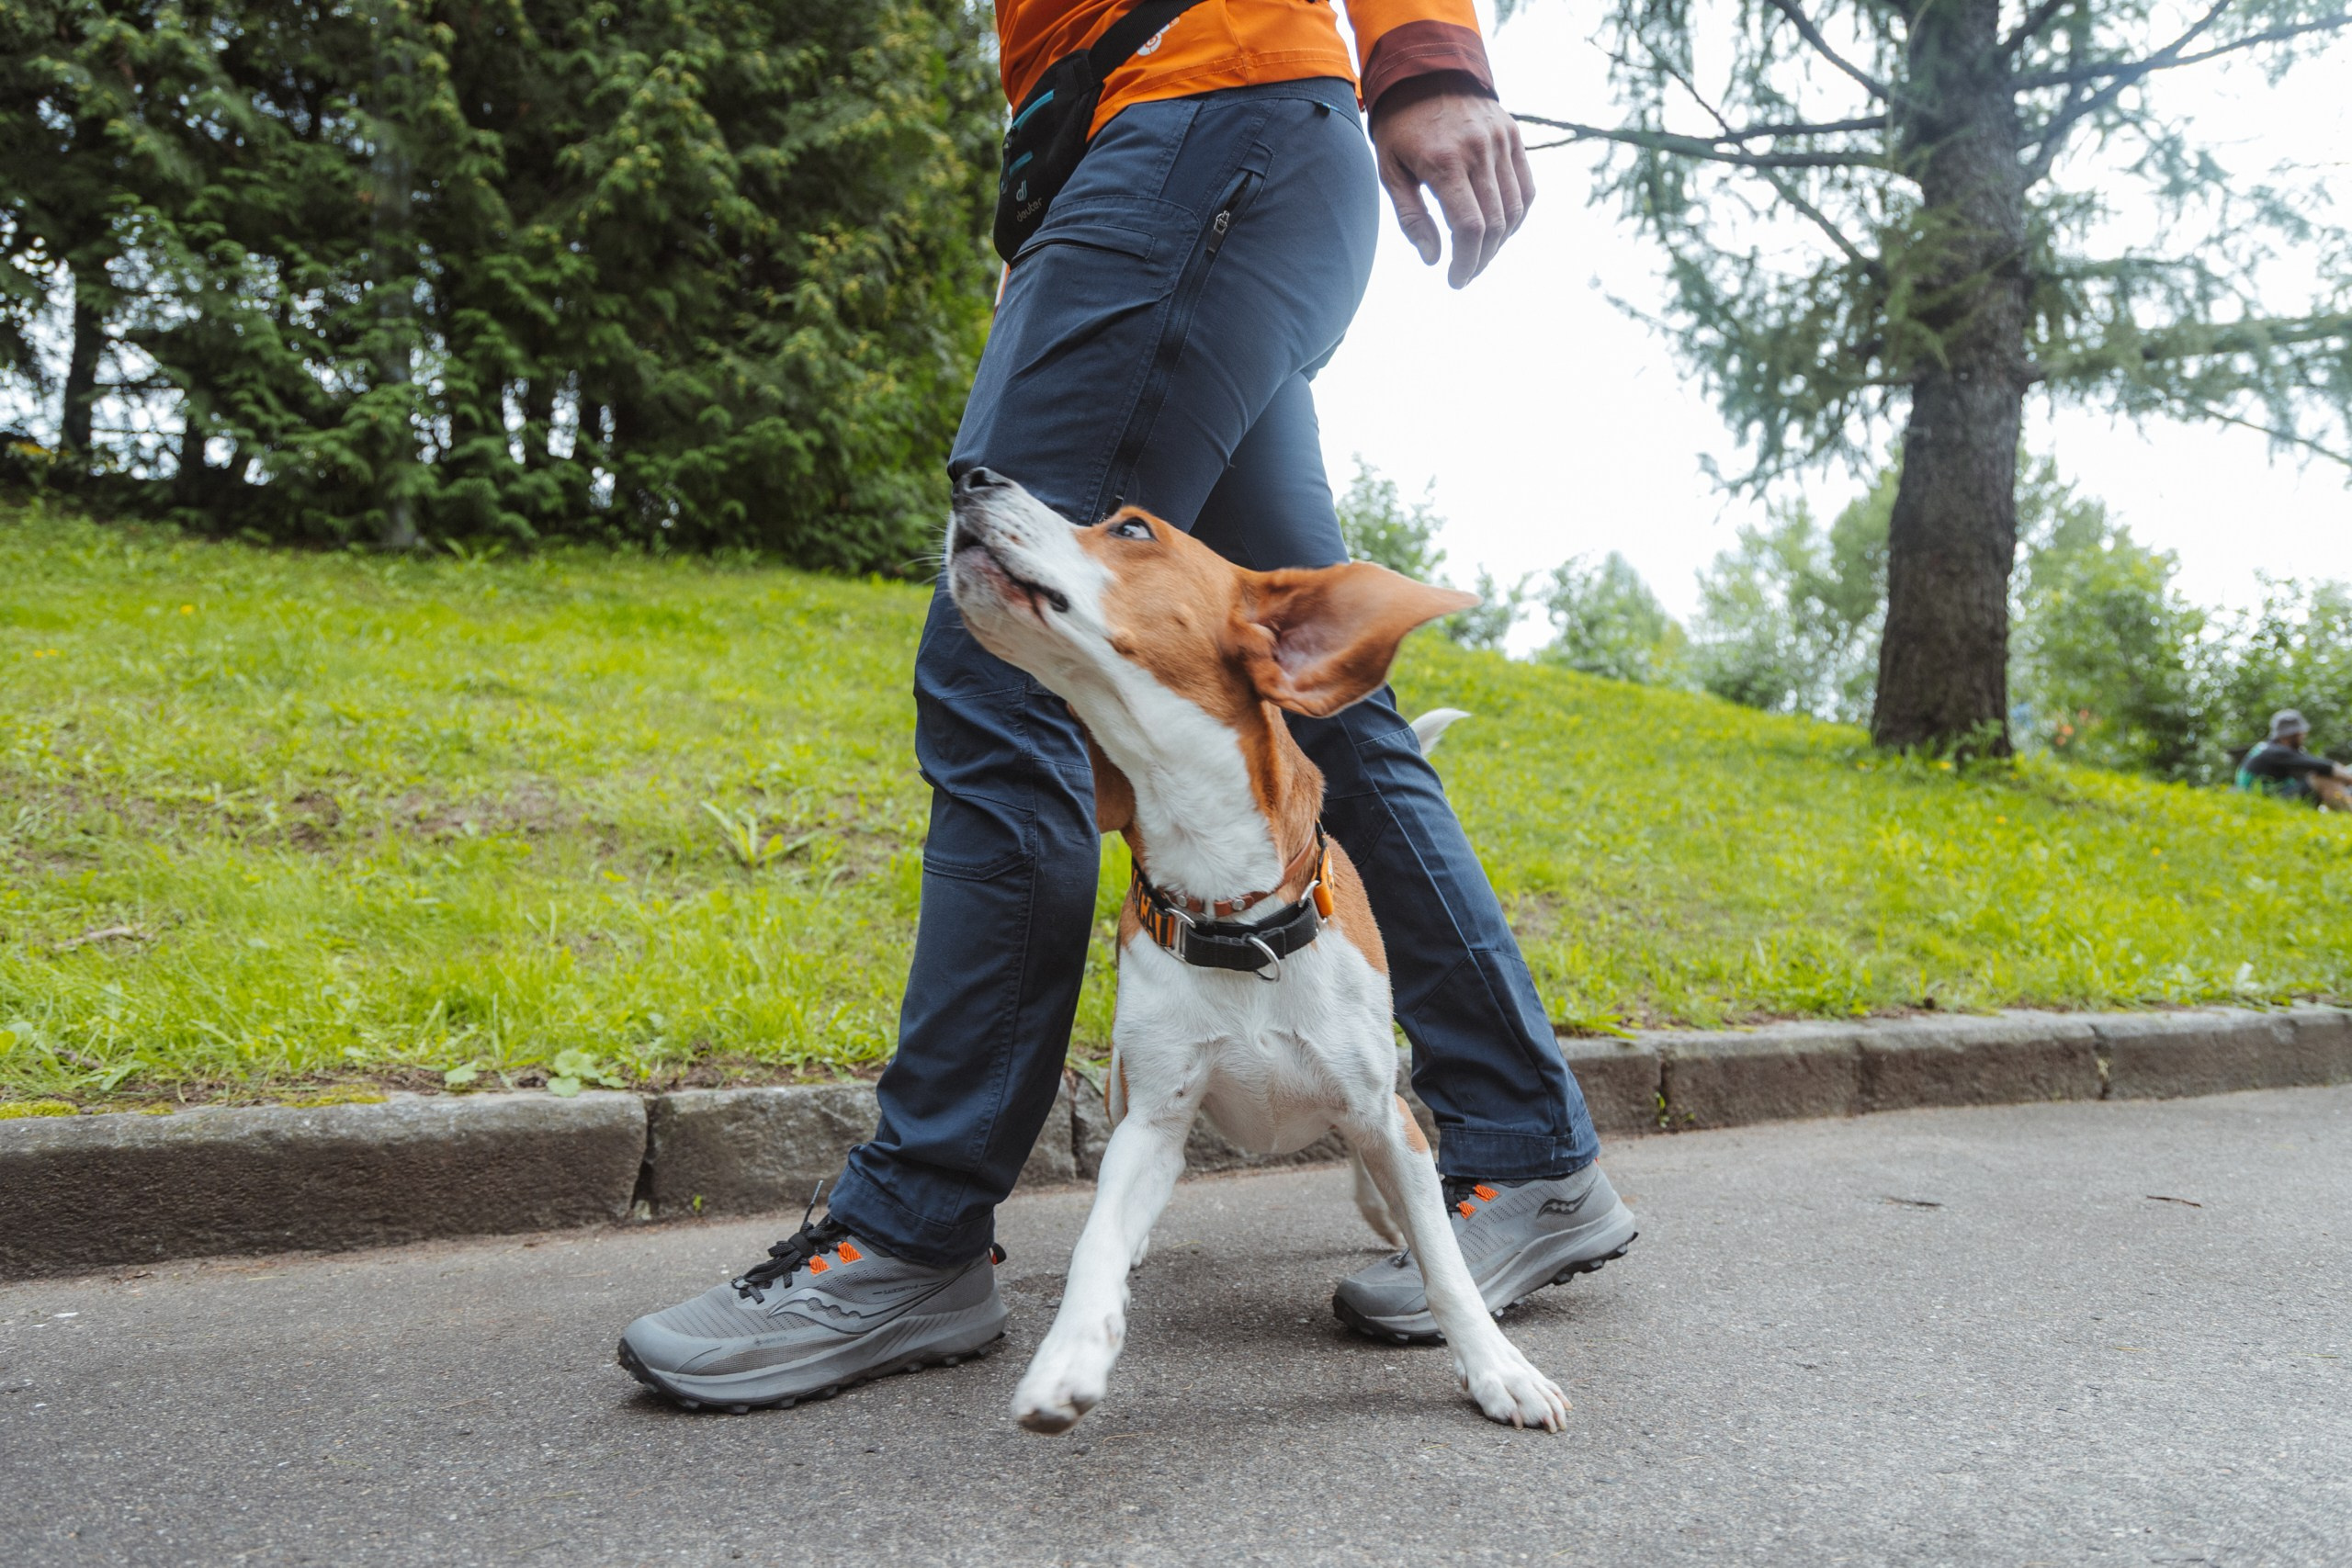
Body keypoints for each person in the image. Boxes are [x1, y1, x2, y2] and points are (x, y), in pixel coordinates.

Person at [617, 0, 1638, 1411]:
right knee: (1297, 692)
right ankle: (1527, 1142)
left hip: (1208, 116)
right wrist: (1052, 213)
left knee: (1002, 667)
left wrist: (1427, 52)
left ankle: (911, 1232)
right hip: (1174, 143)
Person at [2236, 709, 2351, 806]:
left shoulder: (2269, 748)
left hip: (2265, 795)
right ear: (2293, 735)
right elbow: (2326, 767)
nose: (2304, 736)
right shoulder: (2277, 752)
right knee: (2322, 779)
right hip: (2265, 799)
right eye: (2301, 733)